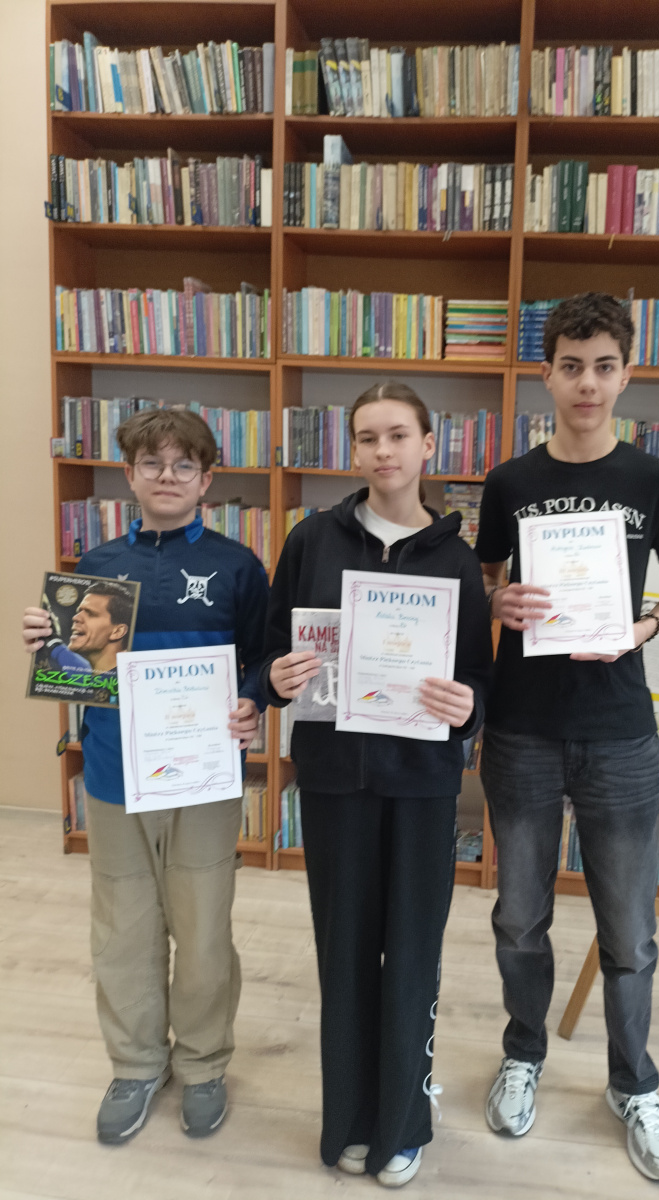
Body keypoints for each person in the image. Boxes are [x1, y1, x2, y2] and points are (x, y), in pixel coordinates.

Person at [476, 293, 659, 1182]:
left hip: (619, 733)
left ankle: (632, 1082)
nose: (587, 383)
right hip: (523, 728)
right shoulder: (509, 482)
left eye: (604, 366)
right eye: (571, 366)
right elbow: (483, 581)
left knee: (631, 932)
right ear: (546, 375)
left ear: (626, 374)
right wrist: (497, 601)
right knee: (518, 918)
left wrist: (639, 629)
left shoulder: (656, 481)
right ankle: (523, 1053)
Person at [260, 382, 492, 1188]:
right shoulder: (311, 540)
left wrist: (468, 708)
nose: (383, 451)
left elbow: (478, 679)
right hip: (334, 783)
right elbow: (270, 649)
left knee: (414, 955)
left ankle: (403, 1123)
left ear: (429, 445)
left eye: (398, 435)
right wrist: (275, 677)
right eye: (367, 437)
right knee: (346, 954)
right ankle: (351, 1121)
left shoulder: (457, 559)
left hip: (423, 787)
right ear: (352, 449)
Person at [22, 409, 269, 1144]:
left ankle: (203, 1064)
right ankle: (135, 1064)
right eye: (152, 463)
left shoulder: (237, 566)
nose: (168, 476)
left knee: (202, 930)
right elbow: (77, 671)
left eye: (183, 464)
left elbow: (261, 659)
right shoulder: (94, 567)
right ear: (129, 475)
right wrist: (46, 646)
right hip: (113, 774)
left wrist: (252, 700)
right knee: (123, 929)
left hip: (203, 779)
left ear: (207, 480)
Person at [37, 579, 134, 702]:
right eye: (79, 612)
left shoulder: (130, 687)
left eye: (91, 614)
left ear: (117, 632)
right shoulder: (89, 678)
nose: (75, 617)